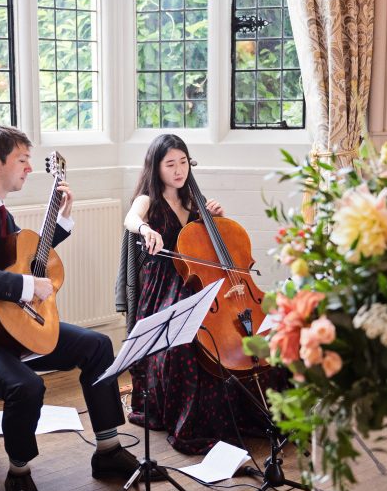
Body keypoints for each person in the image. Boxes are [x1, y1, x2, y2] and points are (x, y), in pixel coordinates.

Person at [0, 123, 161, 491]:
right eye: (22, 159)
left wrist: (62, 221)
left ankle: (107, 450)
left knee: (98, 346)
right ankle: (17, 474)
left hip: (8, 327)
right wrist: (27, 287)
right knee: (27, 386)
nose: (29, 168)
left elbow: (23, 260)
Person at [117, 133, 274, 455]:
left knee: (263, 330)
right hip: (164, 283)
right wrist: (145, 228)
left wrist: (213, 217)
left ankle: (255, 413)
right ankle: (194, 422)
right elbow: (130, 218)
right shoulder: (149, 199)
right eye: (170, 164)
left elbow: (211, 247)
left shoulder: (193, 200)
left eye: (183, 163)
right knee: (186, 341)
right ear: (156, 168)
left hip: (201, 281)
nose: (178, 171)